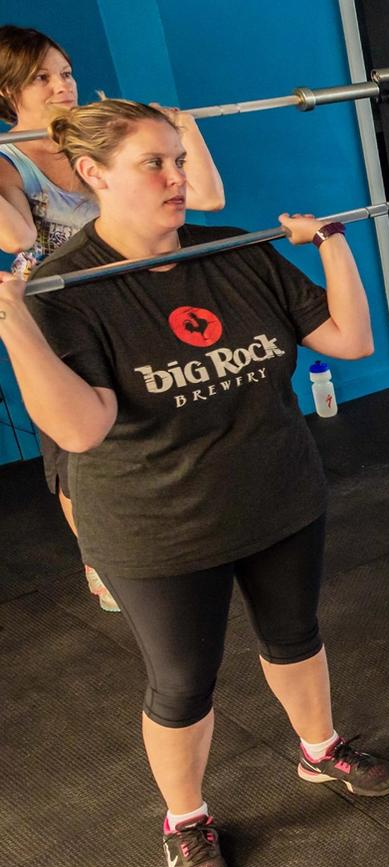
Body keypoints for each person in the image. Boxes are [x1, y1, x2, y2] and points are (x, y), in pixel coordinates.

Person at [0, 99, 389, 867]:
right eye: (153, 163)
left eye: (178, 159)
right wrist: (14, 325)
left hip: (279, 494)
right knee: (182, 683)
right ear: (93, 174)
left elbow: (350, 341)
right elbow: (82, 430)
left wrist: (331, 249)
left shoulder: (236, 251)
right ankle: (186, 819)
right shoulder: (64, 290)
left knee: (295, 635)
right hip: (159, 525)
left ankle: (320, 751)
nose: (176, 177)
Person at [0, 25, 225, 613]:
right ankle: (102, 563)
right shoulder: (9, 161)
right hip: (61, 315)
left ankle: (188, 536)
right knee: (76, 453)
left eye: (66, 72)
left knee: (151, 423)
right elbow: (16, 235)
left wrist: (183, 128)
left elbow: (207, 199)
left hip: (130, 300)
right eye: (41, 77)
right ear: (7, 91)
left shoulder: (99, 137)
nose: (61, 86)